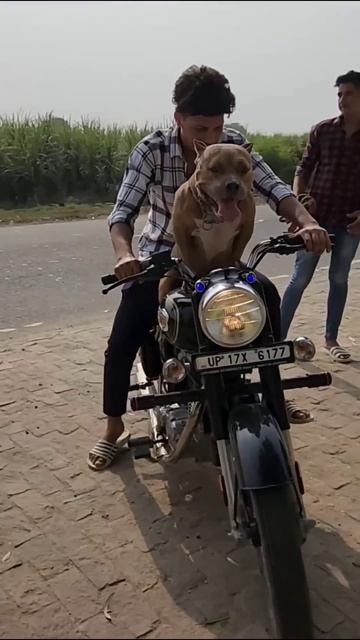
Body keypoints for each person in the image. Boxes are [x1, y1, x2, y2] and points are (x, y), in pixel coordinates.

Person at [87, 65, 330, 471]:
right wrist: (124, 255)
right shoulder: (151, 150)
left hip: (222, 264)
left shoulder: (233, 148)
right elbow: (123, 211)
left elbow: (275, 189)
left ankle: (270, 390)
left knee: (266, 296)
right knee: (125, 334)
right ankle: (113, 428)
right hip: (161, 257)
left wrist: (307, 222)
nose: (211, 137)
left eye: (217, 127)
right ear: (178, 118)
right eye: (200, 127)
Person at [280, 70, 360, 363]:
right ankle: (275, 341)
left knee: (339, 278)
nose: (342, 100)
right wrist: (301, 201)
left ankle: (331, 339)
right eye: (339, 94)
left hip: (351, 223)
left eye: (348, 93)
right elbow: (303, 168)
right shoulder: (323, 130)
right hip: (316, 219)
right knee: (299, 279)